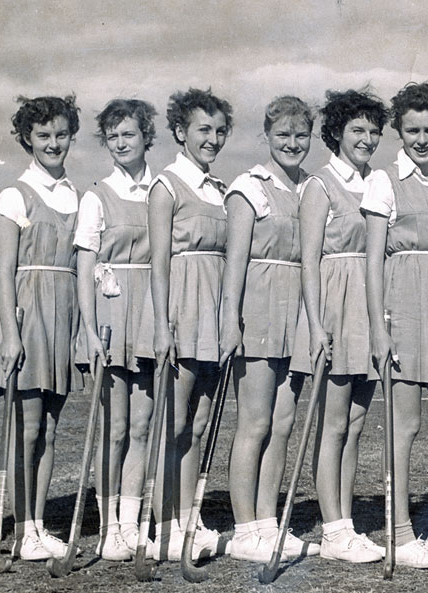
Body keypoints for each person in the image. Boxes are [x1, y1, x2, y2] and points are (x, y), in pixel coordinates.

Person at [363, 81, 428, 568]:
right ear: (398, 133)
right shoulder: (384, 181)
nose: (421, 139)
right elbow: (371, 261)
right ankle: (399, 530)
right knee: (403, 426)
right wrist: (379, 328)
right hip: (401, 304)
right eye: (411, 130)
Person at [0, 95, 83, 561]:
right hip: (26, 316)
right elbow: (3, 274)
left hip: (63, 315)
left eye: (61, 134)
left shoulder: (77, 195)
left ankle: (37, 525)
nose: (53, 143)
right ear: (26, 139)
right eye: (43, 136)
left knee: (52, 430)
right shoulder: (15, 195)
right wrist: (11, 334)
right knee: (28, 427)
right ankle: (20, 528)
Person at [221, 96, 320, 563]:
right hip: (258, 307)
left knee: (282, 424)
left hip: (296, 312)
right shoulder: (249, 186)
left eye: (301, 135)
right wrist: (230, 321)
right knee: (255, 422)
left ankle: (267, 521)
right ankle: (244, 529)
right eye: (283, 135)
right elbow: (234, 263)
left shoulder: (310, 188)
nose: (293, 144)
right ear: (267, 136)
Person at [292, 89, 388, 563]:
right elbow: (309, 261)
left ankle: (346, 522)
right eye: (357, 130)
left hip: (368, 308)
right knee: (332, 424)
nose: (367, 139)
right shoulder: (320, 184)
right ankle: (332, 530)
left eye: (373, 131)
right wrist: (315, 324)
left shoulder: (376, 183)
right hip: (333, 304)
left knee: (355, 422)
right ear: (337, 132)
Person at [139, 88, 232, 562]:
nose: (212, 139)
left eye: (219, 131)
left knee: (198, 422)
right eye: (203, 130)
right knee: (172, 423)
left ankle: (189, 519)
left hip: (213, 312)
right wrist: (161, 325)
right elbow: (158, 263)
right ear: (180, 132)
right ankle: (163, 526)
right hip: (180, 308)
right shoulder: (166, 186)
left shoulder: (219, 189)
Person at [74, 99, 158, 561]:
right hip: (110, 314)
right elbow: (85, 266)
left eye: (129, 134)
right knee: (117, 426)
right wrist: (89, 330)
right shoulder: (97, 195)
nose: (122, 143)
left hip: (149, 312)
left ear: (147, 136)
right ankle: (109, 529)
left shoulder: (161, 190)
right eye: (113, 137)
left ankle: (131, 523)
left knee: (143, 426)